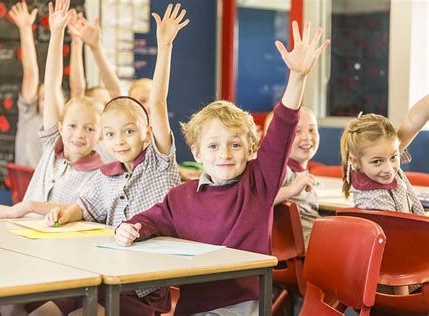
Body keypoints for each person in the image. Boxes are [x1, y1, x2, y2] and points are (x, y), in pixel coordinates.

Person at [115, 21, 329, 315]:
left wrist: (297, 77)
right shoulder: (181, 197)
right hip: (193, 305)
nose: (225, 154)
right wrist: (130, 229)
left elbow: (282, 127)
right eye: (213, 146)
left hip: (241, 305)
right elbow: (149, 220)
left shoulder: (259, 184)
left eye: (236, 145)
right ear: (197, 152)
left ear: (252, 149)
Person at [43, 4, 186, 315]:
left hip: (141, 289)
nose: (119, 140)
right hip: (102, 277)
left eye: (129, 131)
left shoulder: (159, 164)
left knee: (84, 312)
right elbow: (82, 209)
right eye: (110, 134)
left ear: (147, 134)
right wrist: (63, 215)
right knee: (41, 309)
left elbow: (158, 102)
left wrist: (165, 46)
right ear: (103, 139)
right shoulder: (105, 175)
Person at [0, 0, 103, 220]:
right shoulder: (53, 146)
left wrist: (30, 205)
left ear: (100, 135)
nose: (79, 134)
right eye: (72, 126)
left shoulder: (101, 173)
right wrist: (57, 33)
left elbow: (78, 212)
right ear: (59, 126)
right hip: (28, 233)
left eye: (89, 129)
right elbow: (51, 84)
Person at [341, 113, 426, 216]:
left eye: (393, 157)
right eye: (377, 162)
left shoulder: (394, 172)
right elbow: (397, 229)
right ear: (356, 162)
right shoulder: (373, 199)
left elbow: (417, 208)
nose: (389, 169)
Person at [11, 0, 60, 168]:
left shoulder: (68, 127)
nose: (47, 102)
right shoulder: (29, 116)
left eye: (52, 98)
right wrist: (25, 29)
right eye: (43, 98)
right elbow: (31, 73)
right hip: (25, 188)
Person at [273, 107, 320, 248]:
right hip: (309, 244)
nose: (307, 137)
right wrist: (292, 189)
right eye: (297, 131)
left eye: (312, 130)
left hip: (314, 239)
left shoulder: (300, 172)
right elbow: (260, 199)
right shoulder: (281, 170)